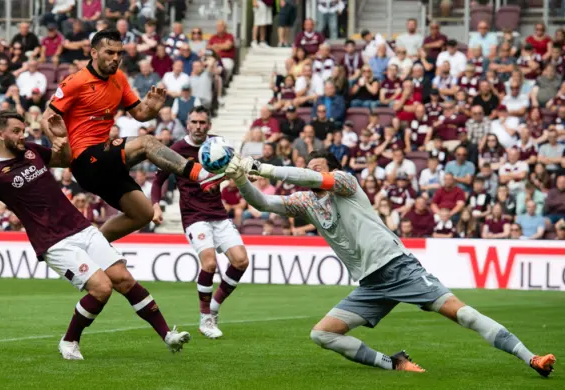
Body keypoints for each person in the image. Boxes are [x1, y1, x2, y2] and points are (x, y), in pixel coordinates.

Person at [224, 150, 556, 376]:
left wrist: (263, 168)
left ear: (330, 170)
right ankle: (393, 363)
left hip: (398, 266)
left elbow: (309, 178)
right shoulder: (306, 202)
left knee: (464, 315)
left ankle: (532, 358)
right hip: (370, 284)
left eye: (318, 166)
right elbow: (264, 202)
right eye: (308, 167)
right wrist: (242, 179)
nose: (312, 171)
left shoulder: (345, 183)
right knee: (322, 335)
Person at [0, 111, 190, 360]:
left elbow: (64, 160)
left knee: (123, 279)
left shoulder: (32, 150)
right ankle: (69, 341)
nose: (22, 135)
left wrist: (62, 138)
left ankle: (168, 335)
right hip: (53, 241)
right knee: (102, 289)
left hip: (80, 226)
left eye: (23, 129)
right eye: (16, 131)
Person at [42, 30, 215, 243]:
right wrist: (58, 142)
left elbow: (141, 114)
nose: (115, 58)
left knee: (143, 214)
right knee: (147, 143)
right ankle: (202, 174)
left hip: (105, 162)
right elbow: (47, 117)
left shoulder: (120, 79)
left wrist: (152, 108)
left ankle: (93, 249)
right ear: (94, 53)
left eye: (119, 53)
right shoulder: (76, 82)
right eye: (109, 52)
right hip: (85, 158)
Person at [151, 106, 249, 339]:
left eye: (202, 123)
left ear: (209, 125)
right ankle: (205, 318)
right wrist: (155, 204)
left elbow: (232, 168)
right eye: (194, 122)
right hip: (194, 215)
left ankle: (214, 306)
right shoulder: (176, 149)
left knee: (241, 261)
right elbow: (158, 181)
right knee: (209, 264)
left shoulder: (218, 145)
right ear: (187, 124)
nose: (198, 126)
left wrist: (224, 178)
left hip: (218, 213)